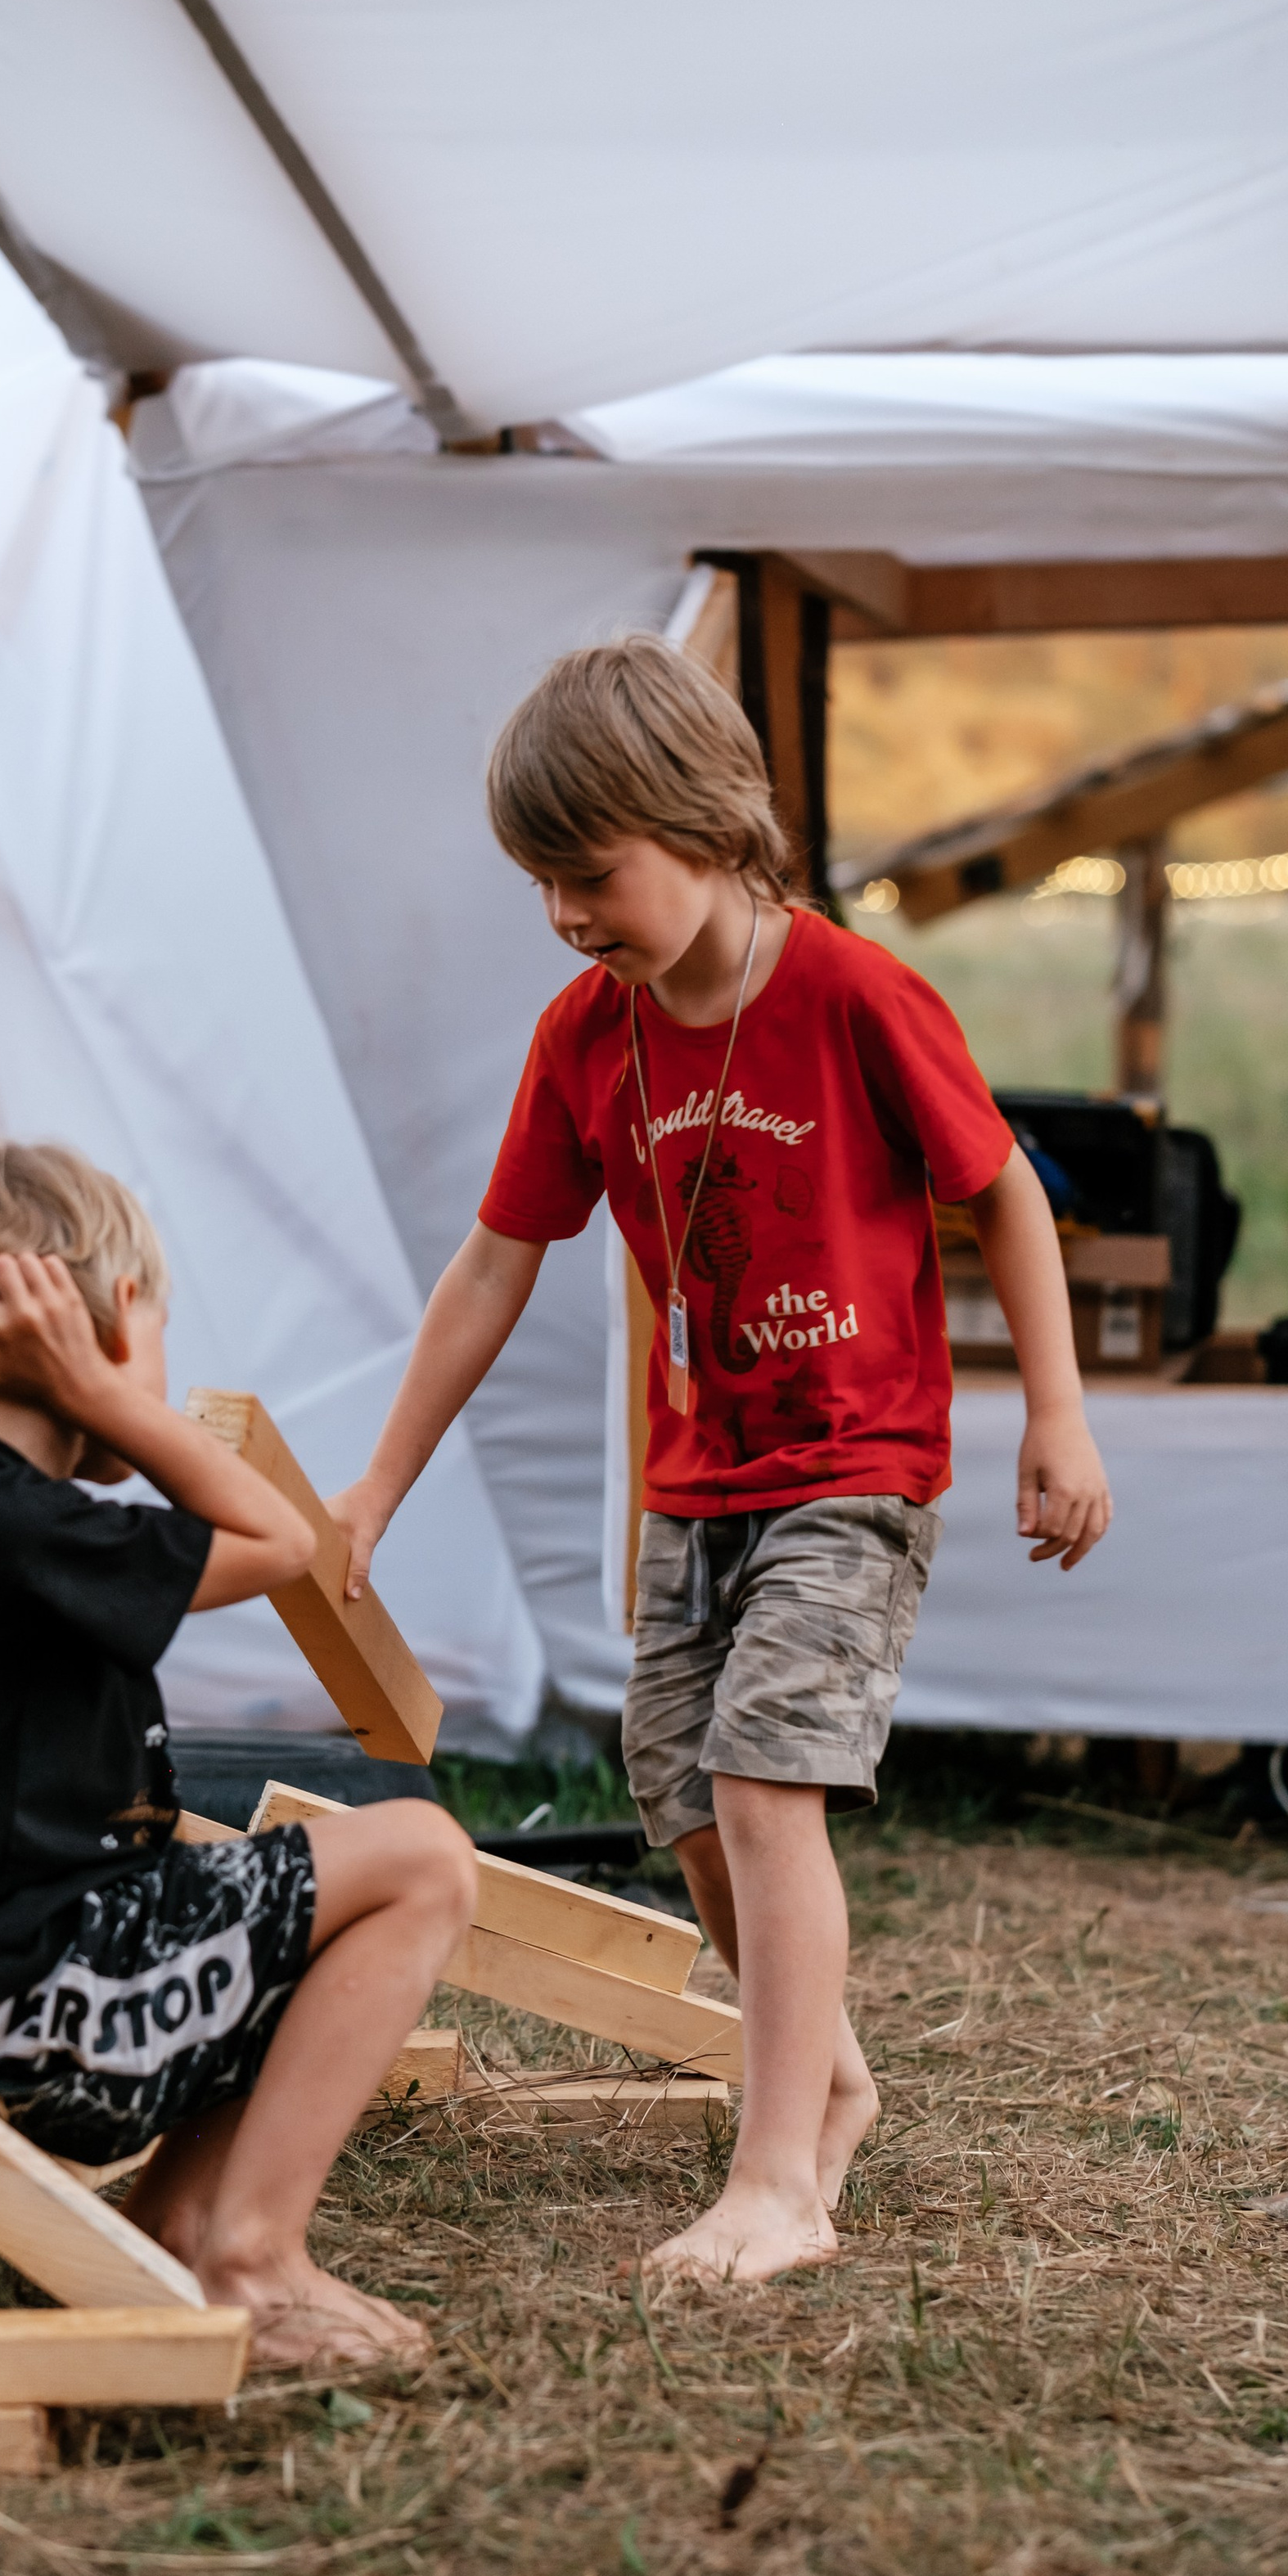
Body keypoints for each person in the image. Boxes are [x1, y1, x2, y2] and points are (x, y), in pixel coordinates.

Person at [329, 637, 1111, 2290]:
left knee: (766, 1779)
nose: (562, 915)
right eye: (537, 883)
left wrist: (1055, 1412)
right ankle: (820, 2074)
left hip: (856, 1460)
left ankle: (777, 2188)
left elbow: (1006, 1192)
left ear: (696, 825)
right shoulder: (581, 1037)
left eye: (586, 874)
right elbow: (491, 1266)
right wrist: (372, 1491)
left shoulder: (847, 995)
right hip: (697, 1477)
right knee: (678, 1787)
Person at [0, 1139, 476, 2370]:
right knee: (421, 1856)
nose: (158, 1372)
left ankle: (179, 2229)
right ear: (79, 1332)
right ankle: (253, 2265)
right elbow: (274, 1538)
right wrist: (113, 1400)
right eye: (146, 1329)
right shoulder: (3, 1521)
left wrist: (93, 1391)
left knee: (250, 1882)